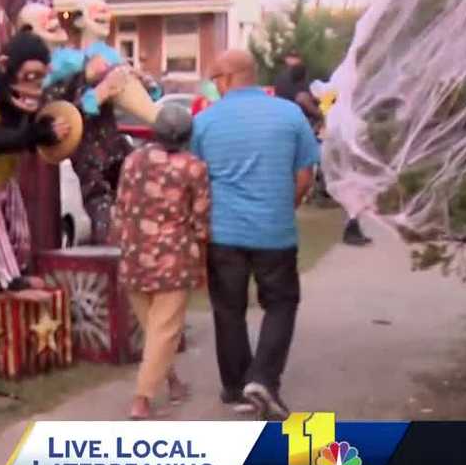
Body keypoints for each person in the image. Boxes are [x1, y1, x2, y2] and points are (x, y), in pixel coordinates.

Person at [192, 50, 321, 420]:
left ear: (230, 76)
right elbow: (305, 173)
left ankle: (237, 387)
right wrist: (286, 206)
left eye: (216, 76)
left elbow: (195, 178)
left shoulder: (204, 121)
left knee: (228, 308)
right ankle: (263, 377)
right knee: (280, 303)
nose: (213, 83)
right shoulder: (289, 114)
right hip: (274, 231)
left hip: (224, 233)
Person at [110, 104, 210, 419]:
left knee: (155, 328)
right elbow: (201, 220)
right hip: (173, 259)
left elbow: (121, 205)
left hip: (134, 255)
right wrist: (203, 260)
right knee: (164, 330)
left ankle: (174, 383)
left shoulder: (133, 160)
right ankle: (141, 399)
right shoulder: (193, 167)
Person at [0, 32, 69, 289]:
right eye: (29, 77)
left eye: (41, 77)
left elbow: (34, 127)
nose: (35, 85)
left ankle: (12, 282)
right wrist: (38, 134)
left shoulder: (16, 96)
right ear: (6, 66)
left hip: (5, 180)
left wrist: (50, 130)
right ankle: (8, 287)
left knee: (21, 241)